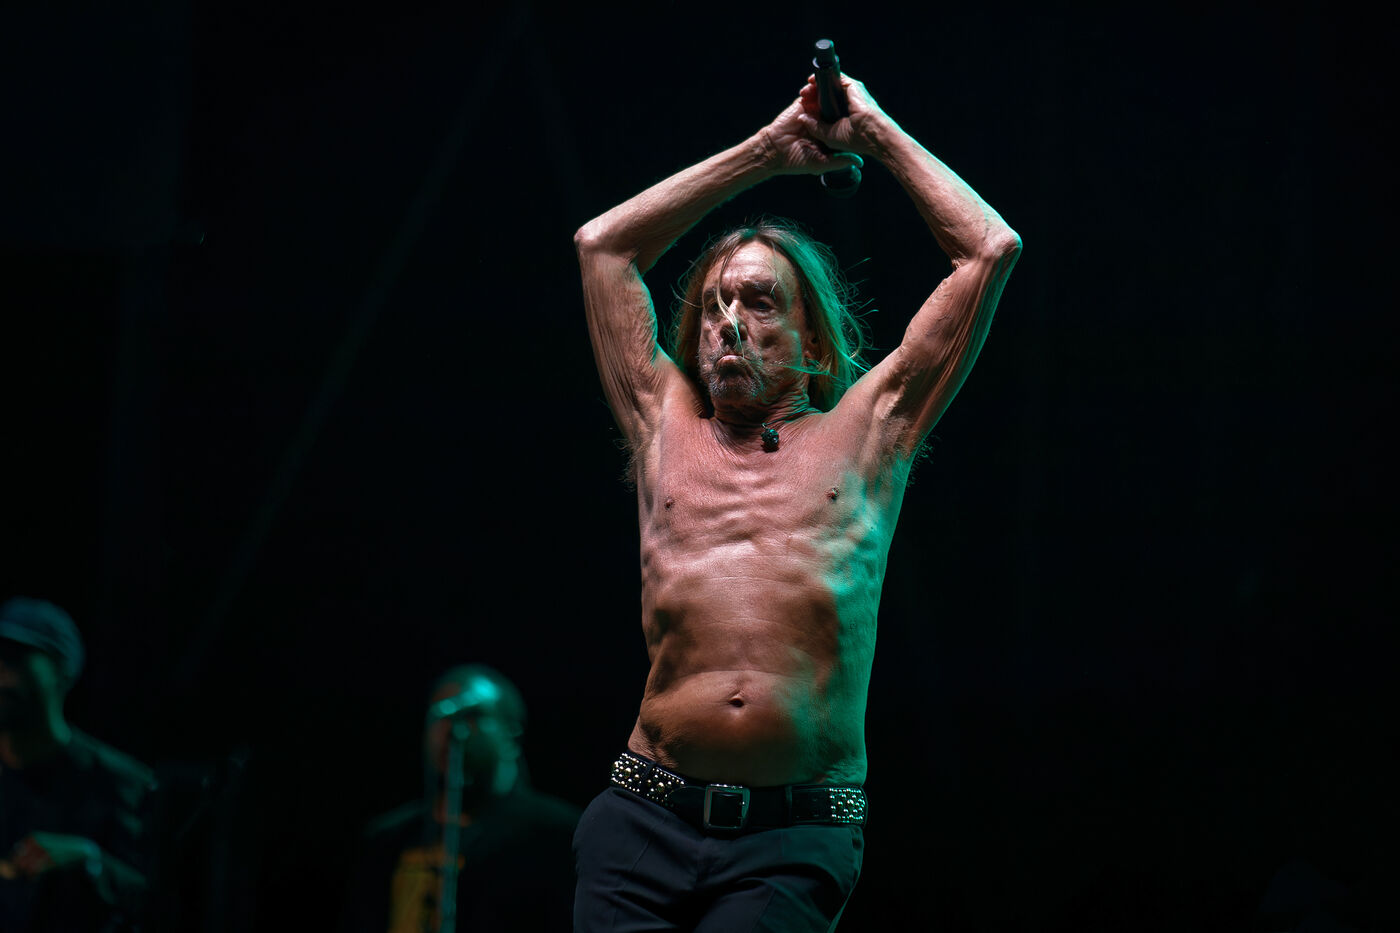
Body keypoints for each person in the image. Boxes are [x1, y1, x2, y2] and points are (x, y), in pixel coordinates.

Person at [571, 67, 1020, 930]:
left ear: (814, 343)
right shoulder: (665, 425)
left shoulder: (869, 432)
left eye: (759, 302)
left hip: (791, 837)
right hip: (642, 817)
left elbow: (989, 250)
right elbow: (602, 247)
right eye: (714, 305)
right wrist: (766, 151)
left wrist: (874, 132)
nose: (729, 322)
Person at [341, 664, 581, 933]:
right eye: (439, 715)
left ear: (510, 732)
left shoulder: (557, 834)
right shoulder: (387, 840)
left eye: (471, 715)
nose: (450, 728)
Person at [0, 596, 156, 932]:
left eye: (13, 658)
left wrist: (91, 863)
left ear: (62, 670)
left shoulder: (124, 785)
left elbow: (156, 899)